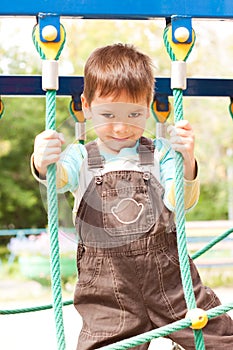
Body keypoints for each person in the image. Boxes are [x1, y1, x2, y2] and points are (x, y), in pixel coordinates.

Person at [31, 43, 233, 350]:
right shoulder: (81, 157)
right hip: (108, 294)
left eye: (134, 114)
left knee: (219, 340)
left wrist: (187, 161)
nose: (121, 127)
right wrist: (43, 160)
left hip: (172, 284)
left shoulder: (160, 153)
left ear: (149, 105)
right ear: (86, 106)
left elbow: (182, 202)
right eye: (108, 113)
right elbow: (58, 179)